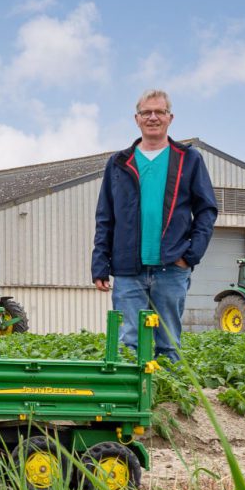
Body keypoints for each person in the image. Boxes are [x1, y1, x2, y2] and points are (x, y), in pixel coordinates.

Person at [90, 89, 217, 363]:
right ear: (136, 119)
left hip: (171, 267)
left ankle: (168, 403)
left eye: (159, 112)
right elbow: (105, 216)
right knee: (127, 344)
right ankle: (128, 403)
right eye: (146, 112)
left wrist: (190, 256)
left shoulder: (188, 159)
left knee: (168, 345)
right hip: (127, 270)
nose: (153, 117)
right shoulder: (119, 162)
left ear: (170, 118)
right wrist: (100, 262)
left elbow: (206, 210)